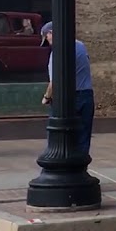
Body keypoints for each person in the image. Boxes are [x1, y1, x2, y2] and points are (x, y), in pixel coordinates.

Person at [39, 21, 95, 157]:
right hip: (87, 95)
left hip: (67, 99)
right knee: (83, 136)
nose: (48, 42)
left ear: (51, 33)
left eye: (46, 38)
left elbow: (55, 81)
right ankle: (81, 166)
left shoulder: (57, 52)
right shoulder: (81, 46)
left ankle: (59, 164)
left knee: (58, 135)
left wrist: (46, 97)